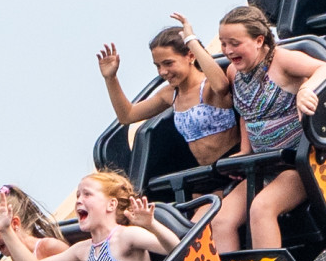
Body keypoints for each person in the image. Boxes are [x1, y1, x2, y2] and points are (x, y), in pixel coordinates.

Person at [210, 5, 326, 251]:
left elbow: (325, 69)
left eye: (234, 43)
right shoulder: (234, 72)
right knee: (221, 218)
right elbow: (247, 113)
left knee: (261, 207)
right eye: (224, 44)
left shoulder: (281, 60)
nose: (227, 51)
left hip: (301, 163)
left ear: (259, 40)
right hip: (263, 166)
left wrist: (305, 90)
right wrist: (245, 150)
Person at [96, 20, 239, 168]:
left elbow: (222, 86)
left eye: (168, 63)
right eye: (158, 66)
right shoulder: (170, 94)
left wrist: (191, 40)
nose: (162, 72)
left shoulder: (209, 86)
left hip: (231, 167)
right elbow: (127, 115)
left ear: (190, 56)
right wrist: (110, 78)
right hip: (204, 173)